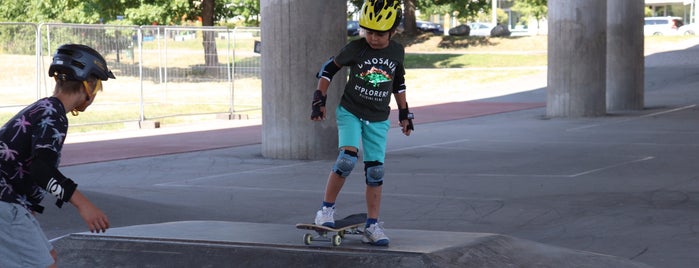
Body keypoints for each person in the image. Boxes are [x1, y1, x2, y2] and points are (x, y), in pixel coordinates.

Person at [310, 0, 414, 246]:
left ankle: (372, 225)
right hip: (351, 111)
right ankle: (325, 210)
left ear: (392, 31)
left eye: (379, 33)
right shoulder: (356, 49)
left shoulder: (396, 52)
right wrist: (319, 99)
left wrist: (404, 113)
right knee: (346, 159)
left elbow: (398, 83)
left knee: (375, 171)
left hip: (378, 118)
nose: (373, 38)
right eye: (368, 31)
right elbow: (328, 69)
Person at [0, 44, 113, 267]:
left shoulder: (43, 108)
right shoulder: (54, 117)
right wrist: (83, 204)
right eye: (97, 88)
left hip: (10, 201)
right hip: (5, 202)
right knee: (42, 264)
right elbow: (41, 170)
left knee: (48, 256)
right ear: (88, 86)